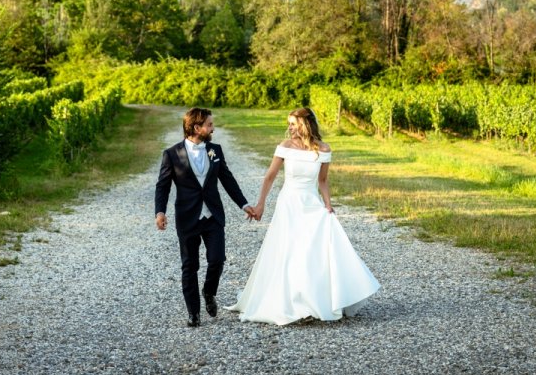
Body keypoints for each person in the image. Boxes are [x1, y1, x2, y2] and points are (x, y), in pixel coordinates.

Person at [227, 107, 380, 325]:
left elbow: (323, 182)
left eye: (293, 124)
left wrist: (328, 205)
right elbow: (270, 177)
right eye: (288, 124)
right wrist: (261, 204)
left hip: (311, 203)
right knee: (290, 250)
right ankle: (291, 302)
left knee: (311, 250)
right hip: (289, 203)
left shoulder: (324, 149)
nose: (289, 128)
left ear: (304, 125)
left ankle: (312, 301)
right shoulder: (285, 147)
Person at [155, 107, 256, 328]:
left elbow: (227, 179)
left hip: (213, 216)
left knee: (217, 260)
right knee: (189, 266)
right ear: (196, 127)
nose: (213, 128)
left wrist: (244, 204)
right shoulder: (171, 154)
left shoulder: (215, 150)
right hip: (187, 217)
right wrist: (160, 212)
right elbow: (162, 186)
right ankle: (194, 313)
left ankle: (209, 292)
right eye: (209, 125)